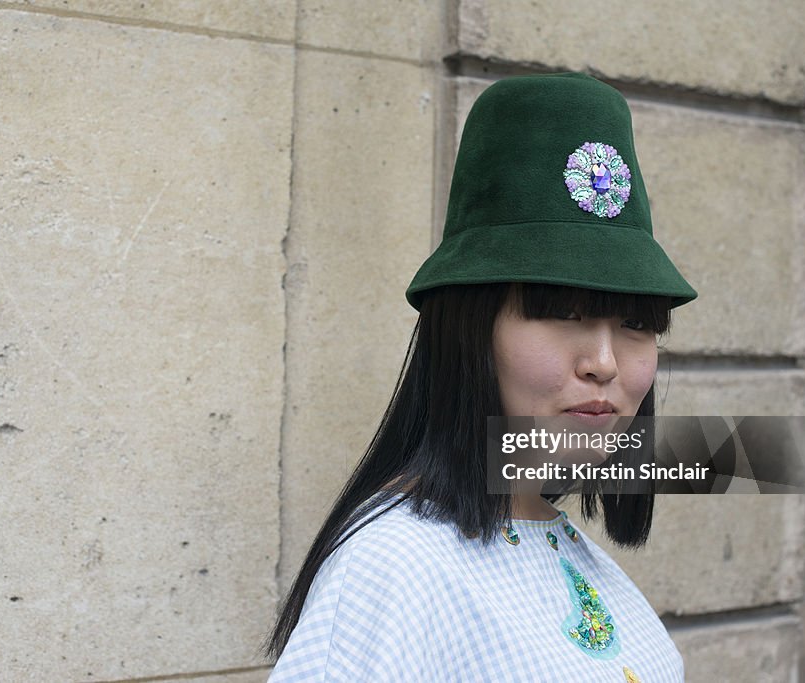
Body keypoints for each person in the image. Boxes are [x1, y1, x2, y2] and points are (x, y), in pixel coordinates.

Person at [261, 72, 697, 682]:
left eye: (635, 322)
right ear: (468, 329)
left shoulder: (570, 548)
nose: (604, 361)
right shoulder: (392, 567)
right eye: (559, 313)